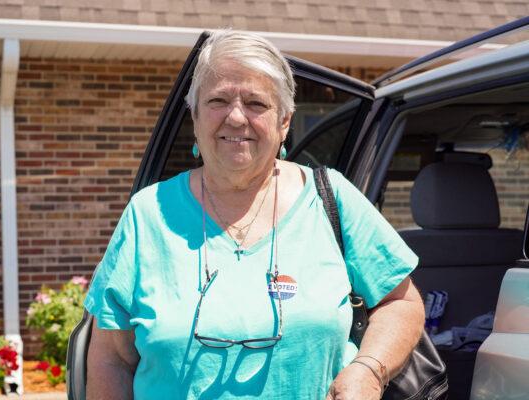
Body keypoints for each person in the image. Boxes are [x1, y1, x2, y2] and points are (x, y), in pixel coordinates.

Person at [84, 30, 425, 400]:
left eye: (256, 103)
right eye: (217, 100)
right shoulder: (149, 214)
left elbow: (401, 302)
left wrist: (368, 370)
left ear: (284, 123)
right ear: (194, 117)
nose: (235, 117)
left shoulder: (332, 198)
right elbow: (111, 358)